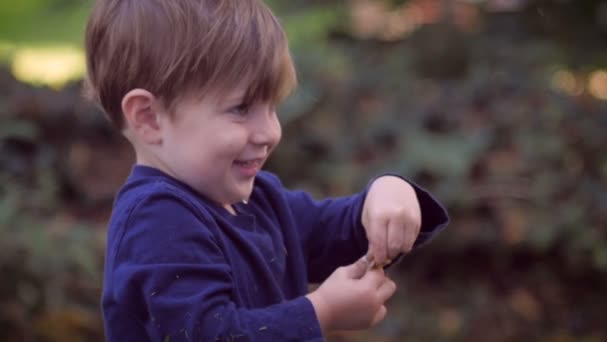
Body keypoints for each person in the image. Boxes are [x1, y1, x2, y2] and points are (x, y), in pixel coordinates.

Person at [84, 0, 449, 341]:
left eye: (272, 106)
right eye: (240, 108)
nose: (271, 132)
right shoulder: (156, 221)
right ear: (149, 117)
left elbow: (336, 233)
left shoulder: (260, 200)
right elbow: (212, 333)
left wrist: (387, 196)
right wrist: (321, 311)